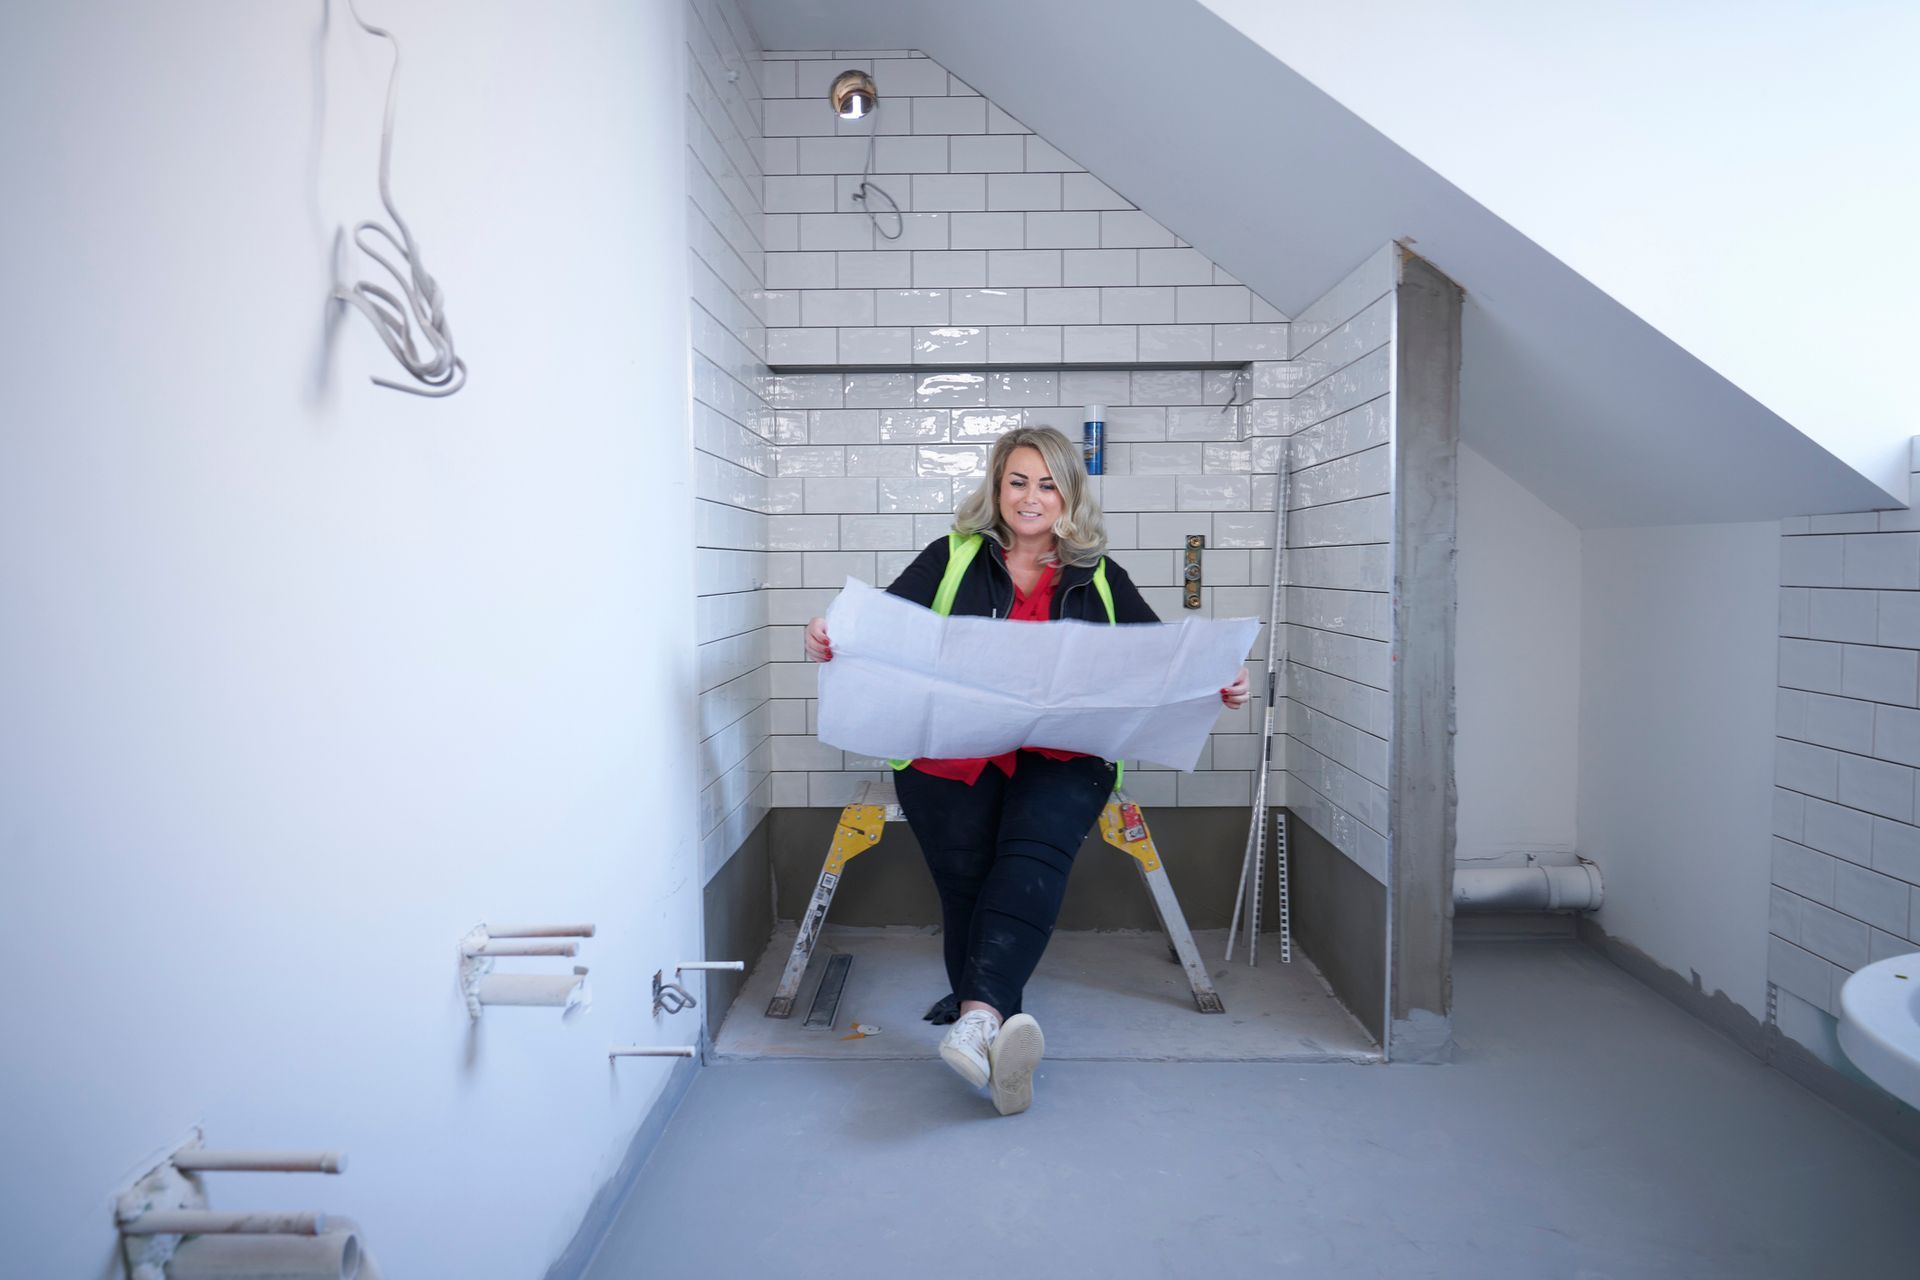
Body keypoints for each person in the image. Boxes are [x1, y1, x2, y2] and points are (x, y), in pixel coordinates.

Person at [805, 425, 1251, 1116]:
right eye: (1017, 481)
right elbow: (881, 627)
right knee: (966, 882)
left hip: (1064, 754)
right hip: (950, 748)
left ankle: (979, 1018)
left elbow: (1162, 661)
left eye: (1047, 483)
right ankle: (1000, 1037)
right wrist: (829, 632)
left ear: (1069, 494)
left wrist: (1220, 682)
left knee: (1032, 856)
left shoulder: (1099, 576)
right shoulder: (951, 556)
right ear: (996, 486)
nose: (1031, 497)